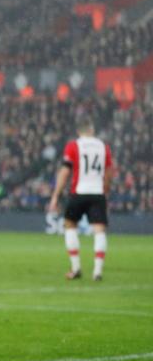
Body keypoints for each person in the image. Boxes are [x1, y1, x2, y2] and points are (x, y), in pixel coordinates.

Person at [47, 119, 113, 281]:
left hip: (79, 192)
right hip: (97, 193)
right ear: (92, 130)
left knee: (69, 225)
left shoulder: (74, 146)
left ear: (79, 132)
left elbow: (64, 172)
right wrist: (105, 191)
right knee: (99, 230)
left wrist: (55, 195)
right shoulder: (103, 147)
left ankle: (76, 268)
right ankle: (97, 271)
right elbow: (109, 172)